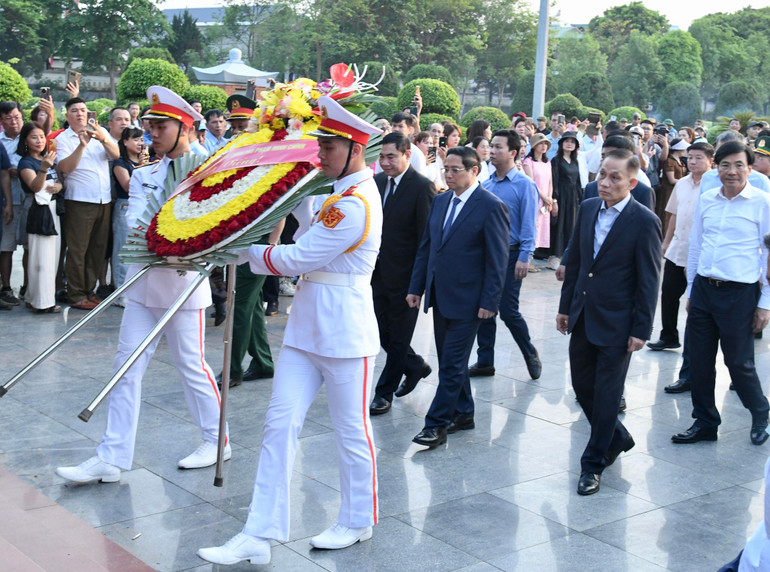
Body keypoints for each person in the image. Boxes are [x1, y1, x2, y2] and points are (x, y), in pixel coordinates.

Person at [197, 96, 383, 565]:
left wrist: (244, 252)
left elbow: (300, 257)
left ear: (354, 149)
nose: (319, 154)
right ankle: (260, 533)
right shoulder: (336, 193)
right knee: (278, 426)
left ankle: (358, 518)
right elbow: (301, 206)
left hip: (344, 332)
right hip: (305, 330)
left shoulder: (357, 203)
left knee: (350, 431)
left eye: (327, 146)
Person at [56, 86, 227, 484]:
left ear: (185, 126)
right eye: (148, 125)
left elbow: (215, 228)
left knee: (191, 367)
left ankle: (216, 440)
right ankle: (111, 456)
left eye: (160, 126)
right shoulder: (146, 173)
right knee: (124, 368)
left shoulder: (213, 172)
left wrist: (187, 243)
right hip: (142, 284)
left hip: (183, 287)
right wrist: (161, 240)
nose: (151, 133)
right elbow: (135, 222)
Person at [557, 149, 662, 495]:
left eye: (614, 177)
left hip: (619, 322)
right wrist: (565, 308)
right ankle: (616, 436)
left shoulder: (644, 221)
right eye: (602, 174)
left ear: (631, 182)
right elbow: (577, 263)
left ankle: (593, 463)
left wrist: (641, 329)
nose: (604, 182)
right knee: (582, 385)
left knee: (606, 395)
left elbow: (649, 279)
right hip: (584, 315)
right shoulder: (588, 209)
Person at [406, 146, 509, 448]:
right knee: (453, 361)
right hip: (441, 295)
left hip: (471, 300)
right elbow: (427, 247)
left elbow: (497, 259)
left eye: (455, 170)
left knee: (451, 363)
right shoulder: (440, 202)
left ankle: (435, 424)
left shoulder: (491, 205)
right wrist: (416, 287)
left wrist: (490, 302)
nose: (448, 175)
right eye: (445, 169)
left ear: (474, 170)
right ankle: (464, 412)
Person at [672, 141, 770, 447]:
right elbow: (697, 245)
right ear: (718, 167)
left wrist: (765, 304)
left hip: (739, 294)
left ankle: (760, 412)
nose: (732, 172)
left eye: (739, 165)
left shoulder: (763, 203)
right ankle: (705, 422)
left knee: (739, 363)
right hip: (704, 289)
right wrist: (690, 289)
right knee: (699, 362)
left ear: (750, 168)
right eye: (725, 165)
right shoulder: (708, 199)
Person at [369, 132, 436, 415]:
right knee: (379, 332)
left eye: (390, 157)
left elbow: (426, 239)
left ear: (407, 154)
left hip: (407, 277)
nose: (384, 163)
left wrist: (419, 284)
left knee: (397, 337)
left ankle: (384, 393)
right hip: (375, 274)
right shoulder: (376, 182)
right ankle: (416, 365)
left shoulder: (422, 187)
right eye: (381, 157)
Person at [469, 130, 541, 380]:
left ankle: (529, 351)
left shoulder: (525, 185)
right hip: (485, 256)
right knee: (485, 308)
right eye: (491, 146)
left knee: (509, 310)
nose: (492, 151)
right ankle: (485, 361)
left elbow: (530, 223)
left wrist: (525, 255)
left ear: (513, 152)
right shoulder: (486, 185)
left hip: (511, 256)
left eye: (498, 147)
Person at [649, 142, 713, 356]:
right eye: (690, 157)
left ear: (711, 161)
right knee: (668, 293)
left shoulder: (714, 185)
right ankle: (668, 335)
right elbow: (674, 215)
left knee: (696, 302)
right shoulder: (682, 183)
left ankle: (696, 344)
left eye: (699, 158)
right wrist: (666, 243)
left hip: (701, 253)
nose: (693, 162)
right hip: (678, 248)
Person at [56, 97, 120, 310]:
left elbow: (115, 154)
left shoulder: (99, 132)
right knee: (78, 250)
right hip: (79, 201)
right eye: (74, 110)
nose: (80, 113)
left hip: (103, 200)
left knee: (97, 250)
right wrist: (81, 146)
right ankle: (75, 295)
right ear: (67, 116)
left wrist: (102, 138)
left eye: (83, 110)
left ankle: (88, 290)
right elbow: (65, 168)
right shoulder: (64, 139)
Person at [17, 122, 62, 313]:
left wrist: (59, 187)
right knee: (40, 258)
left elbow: (59, 181)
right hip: (37, 210)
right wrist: (43, 168)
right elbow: (35, 186)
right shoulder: (26, 163)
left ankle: (40, 298)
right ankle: (40, 302)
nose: (39, 141)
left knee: (52, 257)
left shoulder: (48, 158)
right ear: (26, 140)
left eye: (42, 137)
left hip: (53, 209)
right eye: (34, 137)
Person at [110, 126, 144, 306]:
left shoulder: (148, 160)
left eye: (141, 139)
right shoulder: (120, 163)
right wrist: (142, 168)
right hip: (125, 206)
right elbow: (128, 186)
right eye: (136, 139)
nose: (140, 143)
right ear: (125, 141)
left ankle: (134, 290)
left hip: (142, 208)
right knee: (123, 250)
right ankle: (120, 292)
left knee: (137, 252)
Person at [549, 131, 582, 270]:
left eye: (572, 142)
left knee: (571, 225)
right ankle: (554, 257)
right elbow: (554, 181)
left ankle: (565, 256)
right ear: (561, 143)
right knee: (559, 225)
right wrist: (554, 199)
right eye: (567, 141)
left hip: (573, 197)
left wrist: (580, 198)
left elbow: (578, 181)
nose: (569, 144)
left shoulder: (575, 161)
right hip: (561, 196)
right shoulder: (556, 160)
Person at [522, 132, 553, 252]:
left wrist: (549, 197)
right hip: (535, 198)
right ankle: (528, 258)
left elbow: (550, 182)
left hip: (545, 200)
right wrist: (544, 197)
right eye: (540, 143)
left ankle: (532, 256)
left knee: (541, 229)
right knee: (533, 226)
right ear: (534, 146)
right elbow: (532, 182)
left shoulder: (547, 162)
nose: (543, 146)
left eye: (545, 143)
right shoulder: (528, 162)